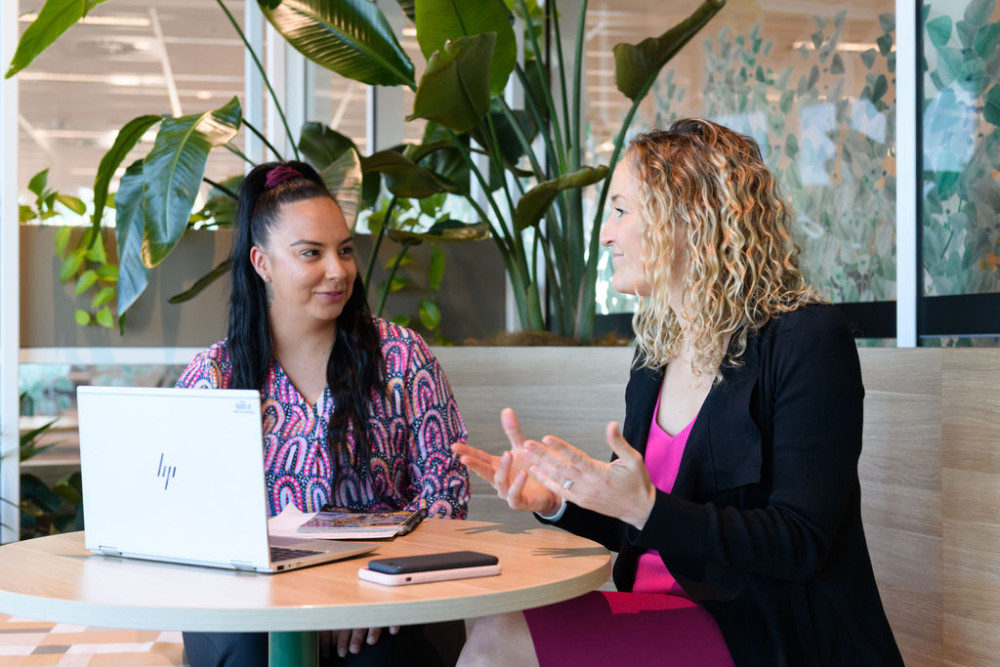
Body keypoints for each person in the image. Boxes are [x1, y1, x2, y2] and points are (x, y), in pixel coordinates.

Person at [453, 118, 903, 666]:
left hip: (763, 632)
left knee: (498, 642)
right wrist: (560, 501)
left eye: (620, 210)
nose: (606, 233)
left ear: (687, 216)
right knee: (485, 616)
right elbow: (646, 522)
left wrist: (642, 506)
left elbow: (799, 540)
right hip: (664, 613)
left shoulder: (805, 340)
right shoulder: (655, 354)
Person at [177, 161, 470, 667]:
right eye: (311, 253)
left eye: (345, 250)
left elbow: (446, 491)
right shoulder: (215, 375)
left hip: (384, 599)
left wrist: (383, 586)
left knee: (384, 658)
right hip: (254, 603)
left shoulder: (402, 357)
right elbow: (187, 513)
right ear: (261, 262)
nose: (338, 270)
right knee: (253, 651)